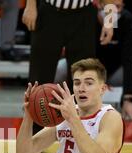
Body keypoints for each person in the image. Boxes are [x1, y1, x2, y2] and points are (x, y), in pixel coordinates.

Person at [22, 0, 113, 133]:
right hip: (50, 11)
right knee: (40, 76)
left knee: (85, 76)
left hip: (83, 14)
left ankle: (84, 130)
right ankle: (34, 133)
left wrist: (110, 21)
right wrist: (30, 6)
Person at [54, 0, 132, 121]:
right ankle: (64, 108)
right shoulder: (88, 17)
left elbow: (129, 60)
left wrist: (128, 99)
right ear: (99, 5)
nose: (114, 12)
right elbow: (79, 57)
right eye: (110, 7)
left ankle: (127, 109)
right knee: (59, 70)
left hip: (115, 71)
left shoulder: (127, 20)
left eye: (118, 7)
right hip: (89, 70)